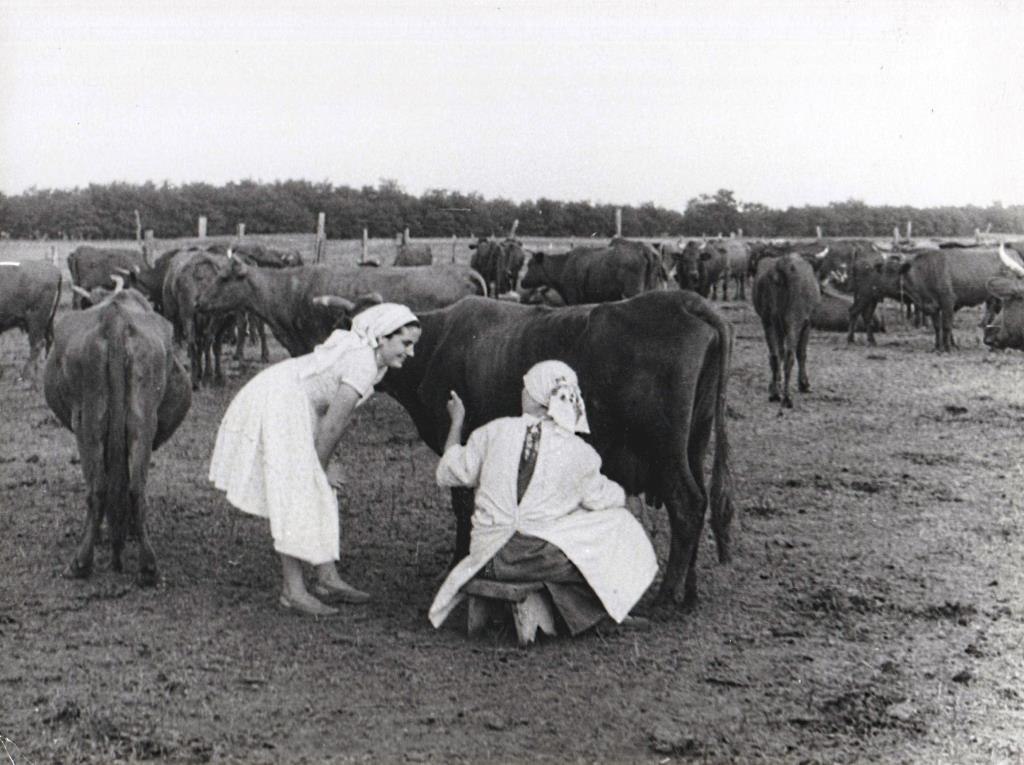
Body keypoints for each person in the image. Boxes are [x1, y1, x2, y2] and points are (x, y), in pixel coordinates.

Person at [209, 302, 421, 617]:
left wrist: (322, 465)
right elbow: (334, 423)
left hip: (296, 402)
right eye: (405, 343)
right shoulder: (363, 363)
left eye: (413, 345)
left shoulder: (373, 361)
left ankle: (326, 578)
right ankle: (292, 591)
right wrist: (319, 468)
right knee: (299, 490)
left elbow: (329, 418)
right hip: (279, 399)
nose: (411, 352)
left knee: (318, 486)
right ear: (382, 337)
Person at [428, 359, 658, 636]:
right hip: (533, 559)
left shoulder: (493, 431)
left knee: (558, 520)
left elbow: (450, 472)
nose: (522, 394)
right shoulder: (579, 451)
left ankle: (569, 611)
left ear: (536, 397)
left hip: (486, 558)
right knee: (617, 523)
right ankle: (605, 609)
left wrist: (457, 422)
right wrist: (626, 497)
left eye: (525, 389)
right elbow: (602, 499)